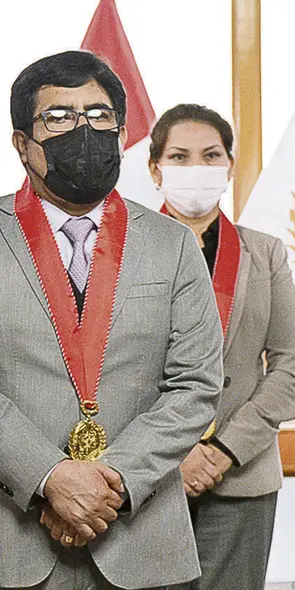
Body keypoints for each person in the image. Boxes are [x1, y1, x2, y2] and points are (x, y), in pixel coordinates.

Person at [0, 51, 222, 589]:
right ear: (22, 143)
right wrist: (48, 477)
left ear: (122, 133)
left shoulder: (173, 245)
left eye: (99, 116)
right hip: (14, 542)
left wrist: (110, 482)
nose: (83, 131)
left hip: (143, 543)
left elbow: (196, 384)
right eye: (58, 117)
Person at [147, 104, 295, 590]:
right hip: (148, 478)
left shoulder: (266, 253)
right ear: (155, 170)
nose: (196, 168)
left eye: (210, 155)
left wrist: (221, 452)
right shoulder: (123, 252)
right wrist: (178, 457)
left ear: (229, 167)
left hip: (243, 477)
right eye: (179, 156)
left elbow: (289, 370)